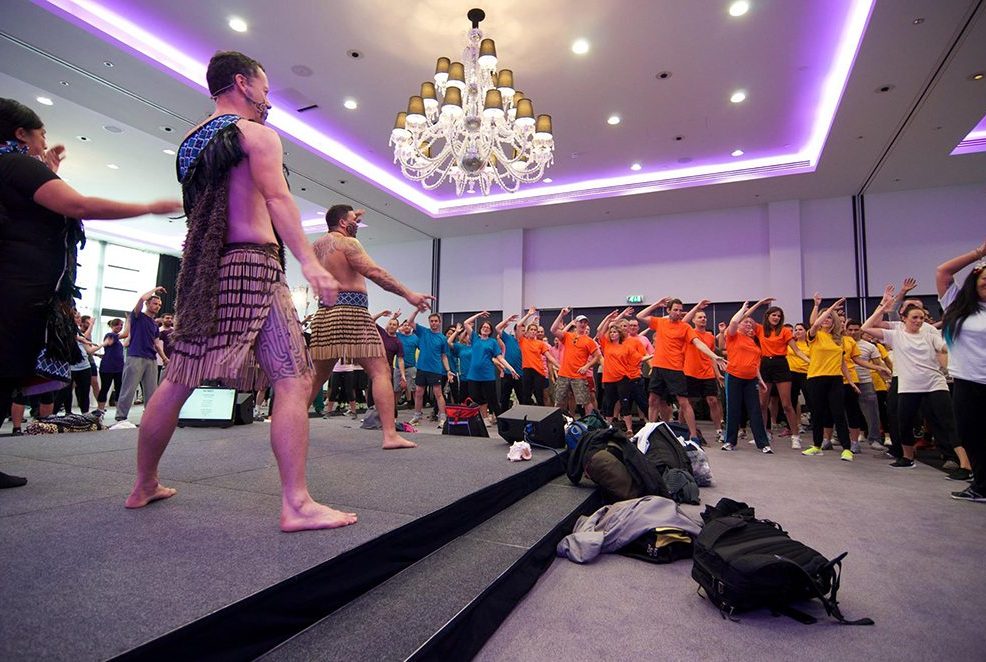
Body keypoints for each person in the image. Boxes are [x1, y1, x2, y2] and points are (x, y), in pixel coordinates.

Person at [126, 51, 357, 531]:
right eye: (265, 90)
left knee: (179, 378)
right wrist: (310, 264)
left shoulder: (190, 143)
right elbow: (277, 198)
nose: (268, 100)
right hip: (252, 264)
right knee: (293, 379)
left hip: (204, 270)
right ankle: (296, 504)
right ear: (242, 84)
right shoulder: (256, 135)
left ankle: (143, 483)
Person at [0, 97, 179, 488]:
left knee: (8, 373)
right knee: (5, 371)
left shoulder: (13, 167)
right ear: (20, 134)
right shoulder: (15, 164)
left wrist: (48, 171)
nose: (44, 140)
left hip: (20, 288)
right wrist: (147, 206)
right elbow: (77, 204)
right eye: (41, 134)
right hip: (16, 290)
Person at [306, 204, 431, 446]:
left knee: (316, 377)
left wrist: (351, 220)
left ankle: (291, 428)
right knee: (380, 371)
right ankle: (390, 435)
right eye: (353, 220)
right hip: (353, 313)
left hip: (325, 315)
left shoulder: (316, 247)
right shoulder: (348, 244)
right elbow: (374, 272)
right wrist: (408, 294)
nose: (357, 223)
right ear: (343, 222)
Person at [862, 286, 970, 476]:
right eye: (915, 317)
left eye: (921, 317)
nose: (919, 321)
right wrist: (883, 307)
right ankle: (907, 457)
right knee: (903, 423)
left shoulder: (930, 333)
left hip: (934, 384)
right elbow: (866, 328)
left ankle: (964, 465)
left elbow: (944, 349)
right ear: (903, 318)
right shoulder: (896, 334)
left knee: (948, 423)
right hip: (908, 386)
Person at [636, 297, 724, 445]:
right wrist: (657, 304)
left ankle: (694, 436)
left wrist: (715, 356)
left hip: (676, 369)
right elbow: (640, 316)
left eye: (679, 310)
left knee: (684, 402)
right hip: (658, 368)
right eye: (675, 310)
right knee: (653, 399)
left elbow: (698, 344)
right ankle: (650, 432)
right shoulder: (660, 322)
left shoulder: (685, 327)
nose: (678, 312)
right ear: (668, 310)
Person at [937, 240, 986, 501]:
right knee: (970, 436)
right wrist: (979, 253)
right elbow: (943, 272)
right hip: (966, 382)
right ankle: (981, 485)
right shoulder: (958, 307)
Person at [802, 296, 856, 461]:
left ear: (834, 323)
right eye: (825, 318)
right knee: (817, 413)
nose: (826, 321)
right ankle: (817, 446)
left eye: (830, 319)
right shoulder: (814, 335)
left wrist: (851, 382)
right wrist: (828, 307)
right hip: (816, 378)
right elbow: (816, 323)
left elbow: (843, 364)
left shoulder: (839, 340)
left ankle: (847, 448)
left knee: (838, 413)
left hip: (835, 379)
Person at [111, 287, 169, 427]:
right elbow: (141, 299)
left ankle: (150, 417)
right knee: (129, 387)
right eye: (155, 303)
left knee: (151, 390)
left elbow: (156, 344)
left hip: (151, 359)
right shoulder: (137, 316)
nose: (157, 307)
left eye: (159, 305)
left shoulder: (155, 325)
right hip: (136, 356)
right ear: (148, 304)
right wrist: (155, 289)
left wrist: (165, 358)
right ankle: (121, 417)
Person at [754, 306, 810, 449]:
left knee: (786, 404)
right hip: (765, 364)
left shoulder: (785, 331)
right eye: (774, 315)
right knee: (762, 404)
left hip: (781, 365)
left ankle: (795, 436)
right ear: (767, 316)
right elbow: (743, 318)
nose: (776, 318)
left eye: (779, 316)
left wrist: (810, 361)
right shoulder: (760, 329)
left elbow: (796, 350)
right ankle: (765, 433)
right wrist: (759, 303)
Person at [721, 300, 772, 453]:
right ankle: (729, 441)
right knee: (733, 409)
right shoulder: (732, 336)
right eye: (746, 323)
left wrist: (761, 381)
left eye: (751, 323)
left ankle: (763, 444)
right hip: (734, 377)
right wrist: (743, 309)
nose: (749, 325)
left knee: (755, 410)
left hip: (751, 380)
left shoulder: (753, 343)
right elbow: (734, 321)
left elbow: (755, 365)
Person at [462, 312, 520, 424]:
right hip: (473, 375)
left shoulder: (492, 342)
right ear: (480, 329)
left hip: (487, 376)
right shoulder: (475, 338)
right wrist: (479, 315)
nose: (485, 328)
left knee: (493, 400)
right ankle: (483, 419)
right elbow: (466, 323)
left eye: (488, 328)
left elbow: (500, 358)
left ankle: (502, 422)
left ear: (490, 331)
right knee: (475, 397)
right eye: (484, 327)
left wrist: (511, 368)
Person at [406, 310, 456, 426]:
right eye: (432, 321)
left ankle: (442, 418)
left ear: (439, 322)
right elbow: (409, 321)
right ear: (429, 322)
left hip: (435, 369)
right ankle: (417, 416)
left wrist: (448, 370)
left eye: (436, 321)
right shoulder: (423, 332)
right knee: (418, 392)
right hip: (422, 368)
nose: (434, 323)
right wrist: (417, 309)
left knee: (438, 393)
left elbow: (444, 356)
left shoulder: (442, 338)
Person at [551, 309, 601, 415]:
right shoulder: (568, 336)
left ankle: (590, 423)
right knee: (559, 401)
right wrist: (561, 314)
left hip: (579, 376)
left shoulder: (589, 341)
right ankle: (559, 423)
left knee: (586, 402)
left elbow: (598, 356)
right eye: (580, 322)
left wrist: (587, 366)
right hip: (564, 374)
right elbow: (553, 330)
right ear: (576, 323)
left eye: (585, 322)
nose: (582, 324)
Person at [685, 309, 724, 443]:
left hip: (707, 373)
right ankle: (682, 428)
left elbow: (712, 356)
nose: (703, 319)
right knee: (687, 402)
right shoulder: (689, 333)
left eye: (705, 317)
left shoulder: (710, 337)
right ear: (694, 320)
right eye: (700, 317)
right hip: (690, 372)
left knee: (713, 401)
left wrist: (717, 374)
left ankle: (719, 431)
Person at [515, 308, 557, 405]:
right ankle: (526, 416)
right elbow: (518, 325)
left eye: (535, 330)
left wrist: (558, 365)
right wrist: (529, 314)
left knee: (539, 396)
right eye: (532, 329)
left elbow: (549, 357)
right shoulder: (523, 341)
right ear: (527, 331)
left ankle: (541, 417)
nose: (534, 331)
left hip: (539, 372)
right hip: (527, 370)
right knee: (526, 395)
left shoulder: (540, 343)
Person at [95, 318, 125, 414]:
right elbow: (126, 334)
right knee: (105, 388)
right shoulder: (110, 335)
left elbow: (127, 341)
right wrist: (129, 320)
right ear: (112, 326)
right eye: (117, 325)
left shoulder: (118, 341)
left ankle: (119, 412)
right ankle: (100, 410)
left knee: (119, 389)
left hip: (119, 368)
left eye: (121, 325)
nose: (120, 327)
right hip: (108, 368)